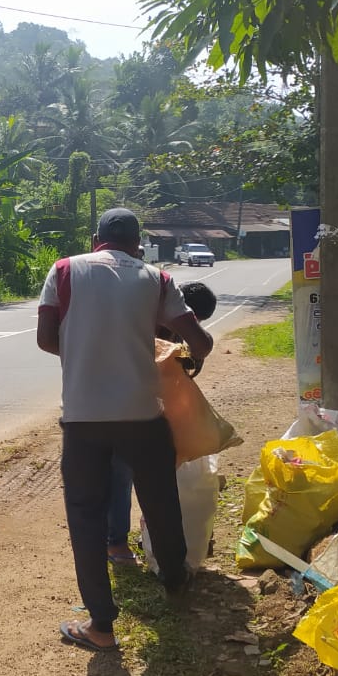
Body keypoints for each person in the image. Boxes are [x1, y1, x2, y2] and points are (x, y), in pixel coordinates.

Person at [38, 208, 214, 652]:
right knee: (160, 501)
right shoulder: (157, 278)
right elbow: (200, 341)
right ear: (138, 243)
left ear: (96, 237)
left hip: (83, 419)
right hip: (142, 416)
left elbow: (44, 338)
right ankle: (175, 581)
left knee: (85, 516)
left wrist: (82, 353)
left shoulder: (64, 270)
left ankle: (101, 624)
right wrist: (184, 362)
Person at [106, 281, 218, 565]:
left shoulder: (166, 323)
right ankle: (117, 544)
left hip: (139, 404)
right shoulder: (150, 316)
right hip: (120, 402)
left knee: (150, 472)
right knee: (121, 472)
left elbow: (182, 358)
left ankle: (152, 534)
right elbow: (189, 349)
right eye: (196, 320)